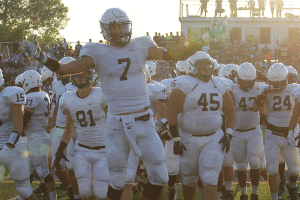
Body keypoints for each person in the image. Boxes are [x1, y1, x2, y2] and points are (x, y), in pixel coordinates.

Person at [167, 51, 236, 200]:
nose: (205, 68)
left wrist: (229, 133)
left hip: (214, 138)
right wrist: (176, 138)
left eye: (207, 65)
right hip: (188, 138)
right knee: (189, 179)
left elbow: (230, 111)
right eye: (201, 65)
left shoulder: (219, 83)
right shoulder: (183, 83)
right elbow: (171, 112)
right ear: (191, 67)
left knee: (210, 177)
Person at [54, 69, 110, 200]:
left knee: (101, 191)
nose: (79, 79)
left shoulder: (101, 95)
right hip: (82, 149)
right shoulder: (68, 98)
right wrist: (60, 150)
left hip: (103, 150)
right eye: (77, 76)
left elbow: (113, 121)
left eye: (83, 76)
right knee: (84, 191)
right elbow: (69, 129)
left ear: (91, 77)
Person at [253, 63, 300, 200]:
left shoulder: (294, 89)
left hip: (289, 135)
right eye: (275, 82)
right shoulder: (265, 90)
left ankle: (291, 185)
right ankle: (275, 197)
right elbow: (255, 107)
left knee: (295, 171)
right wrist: (263, 94)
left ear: (286, 79)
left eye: (280, 82)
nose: (278, 85)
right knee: (272, 169)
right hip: (272, 135)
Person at [231, 63, 266, 200]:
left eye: (249, 81)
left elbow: (274, 84)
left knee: (255, 161)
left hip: (254, 131)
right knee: (240, 165)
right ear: (238, 78)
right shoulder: (232, 89)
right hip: (237, 132)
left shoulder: (259, 88)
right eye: (244, 81)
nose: (246, 84)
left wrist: (264, 76)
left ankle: (255, 194)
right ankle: (244, 194)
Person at [21, 70, 57, 200]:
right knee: (28, 169)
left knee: (42, 171)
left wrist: (17, 131)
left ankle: (53, 197)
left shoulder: (32, 97)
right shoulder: (43, 94)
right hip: (39, 136)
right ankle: (25, 194)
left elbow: (25, 118)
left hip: (37, 138)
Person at [0, 69, 34, 200]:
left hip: (12, 146)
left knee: (23, 190)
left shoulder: (10, 94)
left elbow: (19, 127)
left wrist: (7, 147)